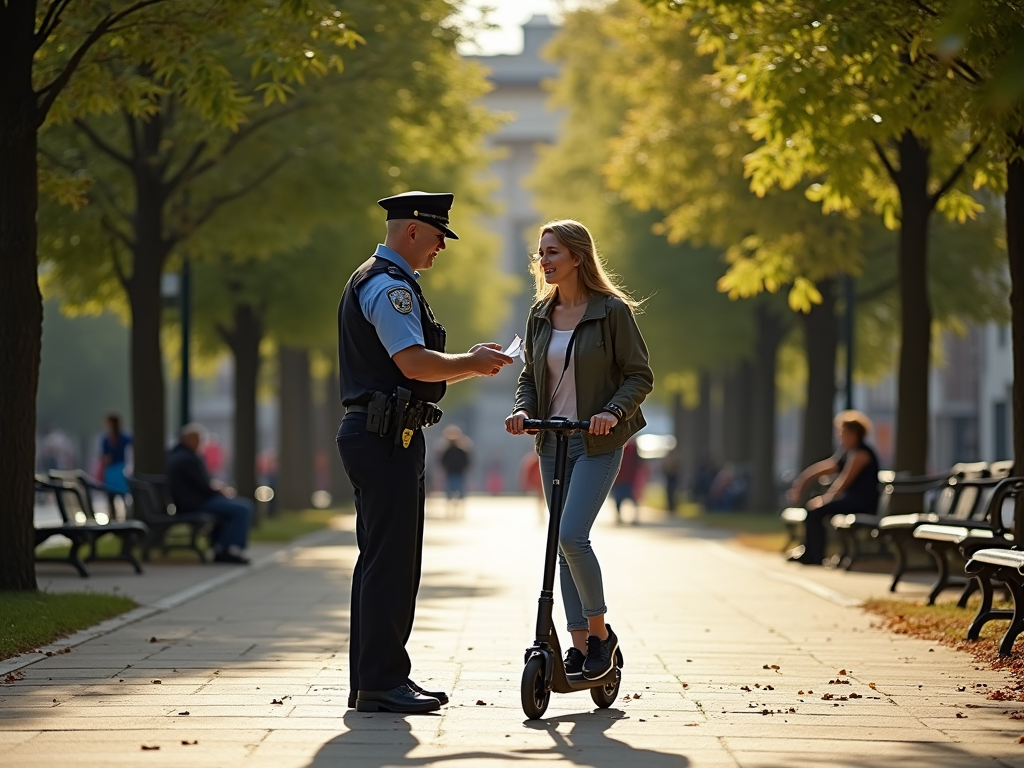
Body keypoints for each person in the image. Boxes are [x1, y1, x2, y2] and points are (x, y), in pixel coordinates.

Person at [335, 191, 514, 715]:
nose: (441, 249)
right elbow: (413, 363)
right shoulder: (392, 288)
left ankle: (374, 680)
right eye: (438, 237)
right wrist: (473, 362)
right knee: (392, 564)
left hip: (379, 433)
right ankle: (383, 681)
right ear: (412, 230)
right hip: (385, 436)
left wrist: (466, 365)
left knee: (380, 562)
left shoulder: (371, 279)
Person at [506, 219, 654, 682]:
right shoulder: (539, 314)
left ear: (577, 257)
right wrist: (522, 411)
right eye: (540, 253)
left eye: (552, 252)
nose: (543, 260)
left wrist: (613, 410)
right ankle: (578, 647)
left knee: (572, 536)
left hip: (597, 441)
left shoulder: (611, 311)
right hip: (552, 441)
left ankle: (600, 635)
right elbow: (530, 377)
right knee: (559, 546)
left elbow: (639, 375)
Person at [786, 410, 881, 566]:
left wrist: (826, 499)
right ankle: (810, 551)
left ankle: (815, 555)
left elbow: (845, 480)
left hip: (862, 502)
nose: (840, 436)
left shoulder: (861, 454)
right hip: (850, 500)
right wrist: (802, 481)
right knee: (814, 509)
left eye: (842, 432)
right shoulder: (847, 452)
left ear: (852, 433)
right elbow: (826, 467)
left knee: (816, 510)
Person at [165, 423, 252, 565]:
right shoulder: (188, 459)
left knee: (231, 509)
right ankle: (229, 548)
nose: (200, 443)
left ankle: (220, 547)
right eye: (198, 439)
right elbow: (203, 486)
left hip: (190, 501)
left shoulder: (177, 455)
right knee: (243, 508)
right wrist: (220, 491)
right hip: (195, 503)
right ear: (188, 439)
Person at [438, 425, 473, 517]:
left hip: (458, 473)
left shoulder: (462, 450)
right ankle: (451, 511)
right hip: (451, 473)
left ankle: (458, 511)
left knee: (459, 493)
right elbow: (442, 462)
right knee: (450, 493)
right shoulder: (447, 450)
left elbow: (466, 462)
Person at [611, 438, 643, 525]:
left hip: (630, 479)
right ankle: (618, 516)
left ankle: (635, 517)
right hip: (620, 479)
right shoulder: (619, 448)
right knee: (618, 499)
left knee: (633, 499)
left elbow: (638, 464)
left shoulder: (634, 450)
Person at [99, 413, 131, 495]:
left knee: (123, 491)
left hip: (120, 468)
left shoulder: (125, 438)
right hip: (110, 469)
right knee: (110, 493)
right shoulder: (105, 439)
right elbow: (103, 455)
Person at [662, 445, 681, 514]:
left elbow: (678, 466)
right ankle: (670, 507)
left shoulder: (675, 457)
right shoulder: (668, 457)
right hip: (669, 476)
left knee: (674, 492)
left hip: (674, 476)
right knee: (669, 492)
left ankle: (673, 507)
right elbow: (664, 466)